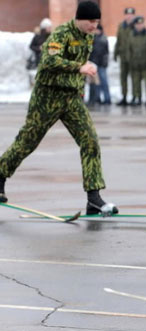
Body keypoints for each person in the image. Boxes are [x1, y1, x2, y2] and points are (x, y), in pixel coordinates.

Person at [0, 1, 118, 215]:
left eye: (97, 22)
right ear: (80, 19)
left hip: (71, 98)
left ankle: (94, 198)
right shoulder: (61, 34)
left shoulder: (88, 36)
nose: (94, 26)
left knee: (90, 140)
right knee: (27, 142)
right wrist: (79, 67)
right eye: (91, 21)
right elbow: (48, 62)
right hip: (48, 96)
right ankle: (0, 176)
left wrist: (80, 85)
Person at [128, 16, 146, 106]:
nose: (139, 26)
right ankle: (137, 97)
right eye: (138, 24)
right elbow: (129, 49)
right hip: (135, 63)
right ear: (135, 25)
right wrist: (130, 60)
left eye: (141, 24)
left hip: (145, 63)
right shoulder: (131, 35)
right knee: (136, 81)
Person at [114, 7, 136, 106]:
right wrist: (115, 53)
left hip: (133, 56)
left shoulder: (136, 26)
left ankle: (135, 97)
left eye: (131, 15)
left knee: (134, 77)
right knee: (123, 77)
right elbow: (118, 41)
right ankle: (124, 97)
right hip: (123, 56)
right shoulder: (121, 26)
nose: (129, 16)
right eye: (127, 14)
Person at [88, 24, 111, 105]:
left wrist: (105, 62)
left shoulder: (103, 39)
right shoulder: (92, 39)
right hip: (94, 64)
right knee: (95, 83)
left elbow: (106, 52)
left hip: (101, 64)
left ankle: (107, 99)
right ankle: (97, 98)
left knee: (104, 82)